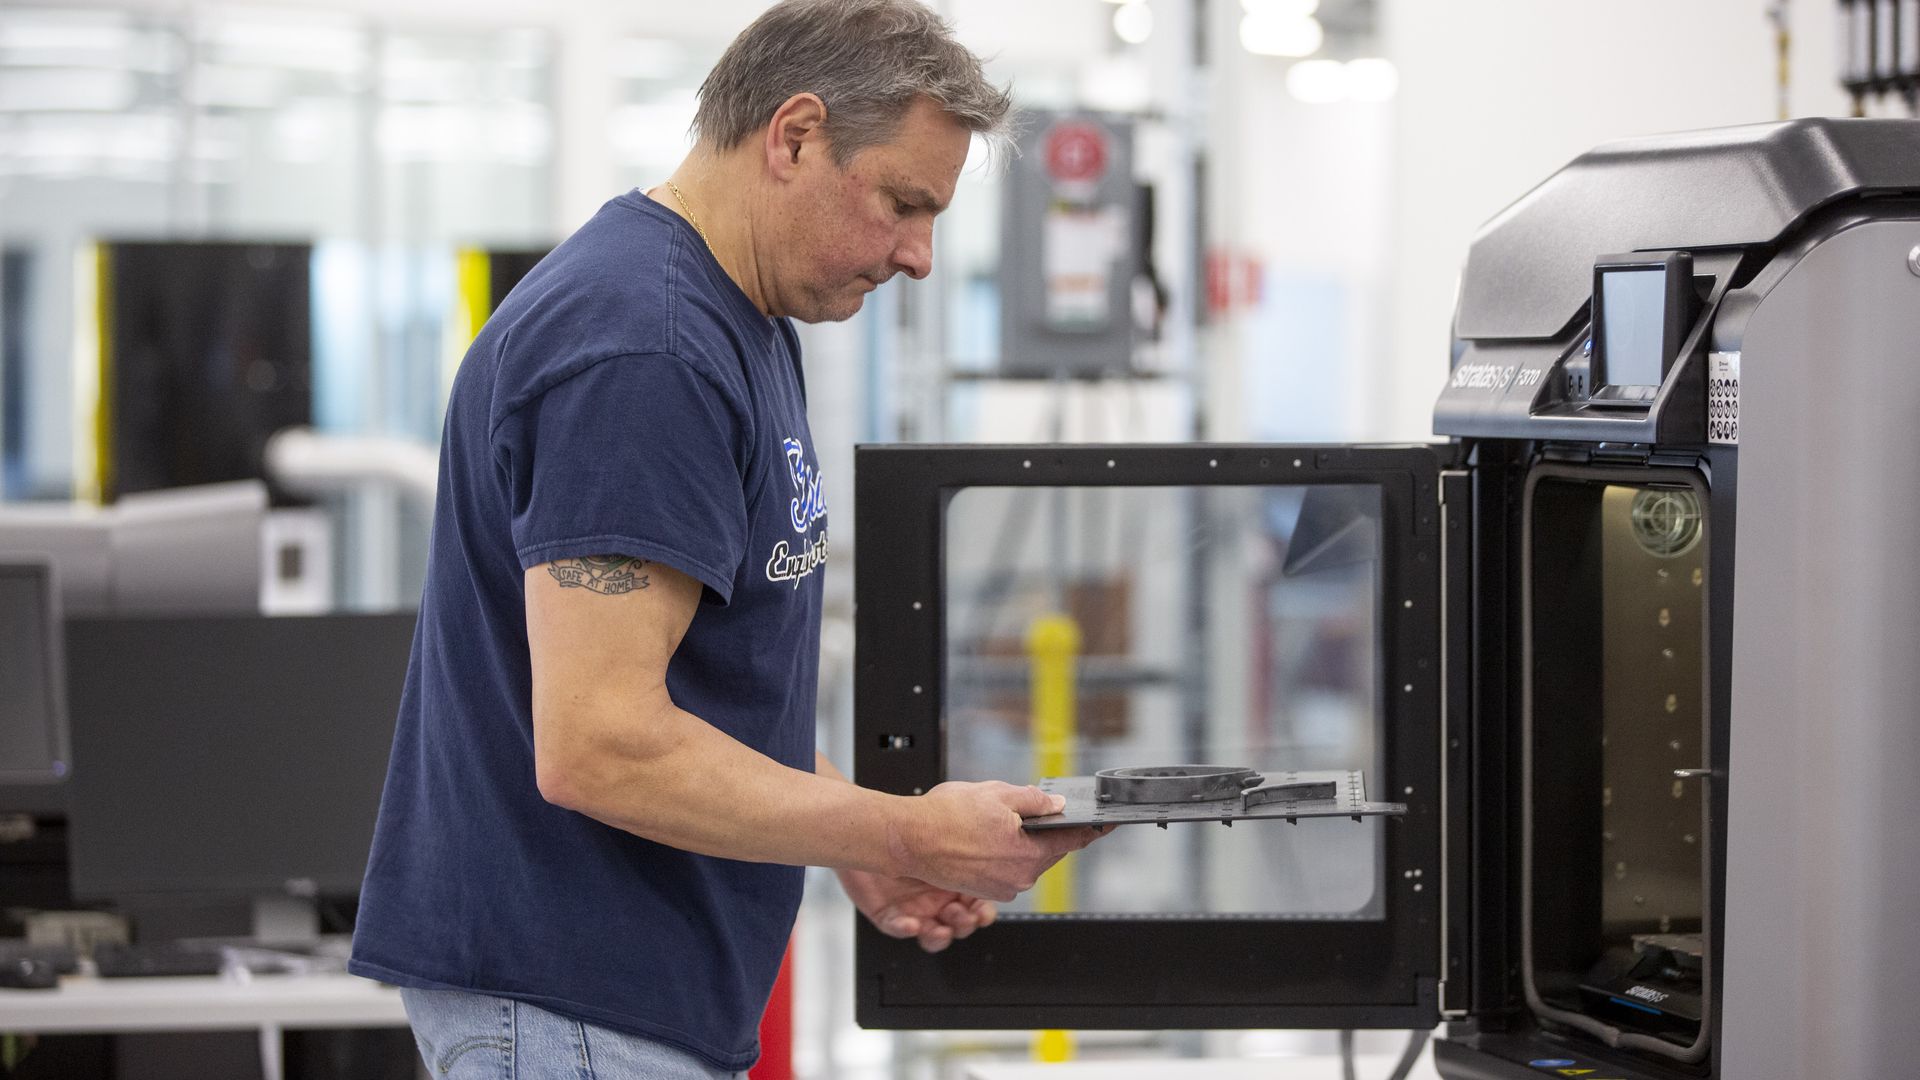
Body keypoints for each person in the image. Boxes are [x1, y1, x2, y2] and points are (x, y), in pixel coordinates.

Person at [348, 2, 1105, 1077]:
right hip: (573, 1007)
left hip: (624, 1003)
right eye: (902, 203)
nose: (920, 256)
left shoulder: (735, 319)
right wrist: (903, 834)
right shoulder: (642, 349)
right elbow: (600, 744)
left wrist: (857, 836)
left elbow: (704, 676)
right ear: (794, 136)